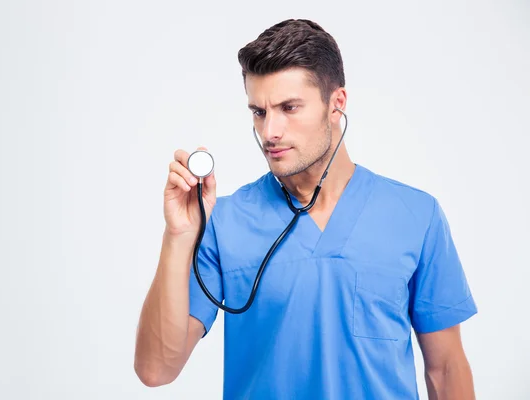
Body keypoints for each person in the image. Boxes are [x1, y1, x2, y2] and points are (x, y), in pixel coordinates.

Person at [134, 18, 477, 399]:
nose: (270, 132)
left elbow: (445, 370)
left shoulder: (416, 215)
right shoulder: (224, 223)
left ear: (337, 104)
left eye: (289, 107)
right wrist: (178, 236)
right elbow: (155, 369)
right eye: (259, 112)